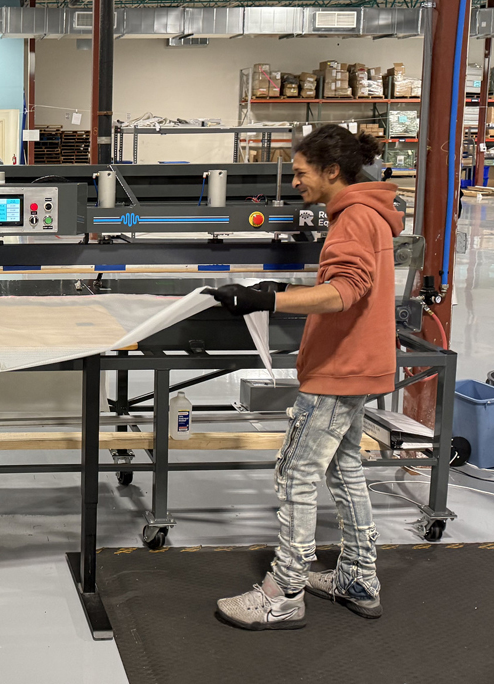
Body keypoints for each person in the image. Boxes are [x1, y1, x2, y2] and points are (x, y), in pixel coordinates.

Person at [207, 125, 404, 631]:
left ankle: (284, 591)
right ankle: (358, 578)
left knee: (294, 472)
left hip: (338, 369)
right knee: (343, 471)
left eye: (300, 172)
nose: (295, 182)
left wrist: (266, 299)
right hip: (360, 363)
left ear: (332, 170)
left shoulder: (354, 218)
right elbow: (344, 283)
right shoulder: (370, 213)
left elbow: (344, 292)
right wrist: (288, 287)